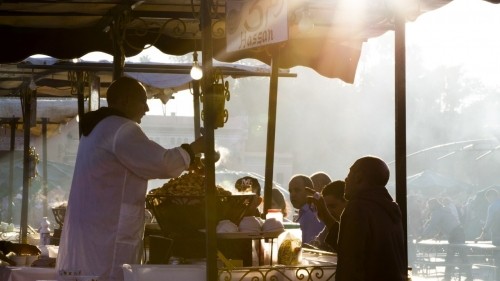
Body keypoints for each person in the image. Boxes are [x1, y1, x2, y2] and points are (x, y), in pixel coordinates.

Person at [55, 77, 204, 281]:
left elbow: (141, 164)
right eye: (142, 101)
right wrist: (195, 148)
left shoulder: (100, 128)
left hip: (94, 229)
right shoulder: (122, 129)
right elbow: (162, 163)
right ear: (125, 101)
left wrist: (187, 160)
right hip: (108, 233)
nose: (147, 108)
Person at [336, 156, 406, 281]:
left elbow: (350, 261)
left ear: (359, 177)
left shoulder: (358, 207)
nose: (345, 179)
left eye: (350, 173)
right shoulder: (392, 208)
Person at [421, 198, 472, 281]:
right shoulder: (444, 210)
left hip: (454, 235)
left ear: (433, 205)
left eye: (429, 205)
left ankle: (447, 277)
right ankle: (468, 277)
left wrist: (422, 235)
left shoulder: (436, 212)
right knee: (462, 256)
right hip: (459, 232)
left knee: (450, 257)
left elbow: (432, 224)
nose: (428, 207)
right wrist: (440, 235)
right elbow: (446, 223)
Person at [310, 180, 347, 252]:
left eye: (333, 206)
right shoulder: (328, 228)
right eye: (326, 208)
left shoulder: (354, 227)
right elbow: (317, 245)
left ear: (347, 203)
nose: (328, 212)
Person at [288, 174, 324, 244]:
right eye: (290, 191)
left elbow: (310, 247)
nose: (292, 194)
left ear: (309, 192)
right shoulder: (303, 214)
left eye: (297, 190)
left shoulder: (311, 216)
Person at [475, 188, 500, 281]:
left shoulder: (492, 206)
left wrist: (481, 236)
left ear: (492, 196)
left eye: (488, 198)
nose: (488, 200)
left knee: (498, 260)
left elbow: (488, 222)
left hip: (497, 236)